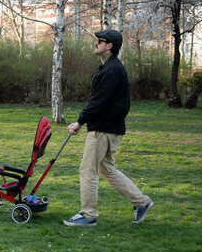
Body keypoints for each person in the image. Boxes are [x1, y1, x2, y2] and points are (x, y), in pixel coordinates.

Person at [63, 29, 153, 227]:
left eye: (100, 41)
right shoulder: (111, 68)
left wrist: (79, 122)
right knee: (106, 169)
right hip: (111, 129)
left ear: (109, 46)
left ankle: (88, 215)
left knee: (88, 171)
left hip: (102, 130)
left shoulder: (112, 70)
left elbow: (97, 103)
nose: (96, 44)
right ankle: (142, 202)